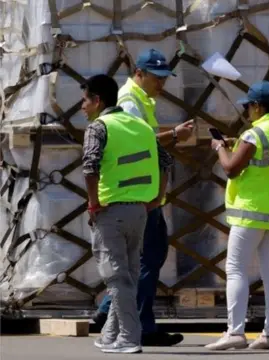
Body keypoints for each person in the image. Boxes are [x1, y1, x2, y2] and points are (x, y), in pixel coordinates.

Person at [92, 48, 193, 347]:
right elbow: (140, 143)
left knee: (146, 258)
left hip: (143, 193)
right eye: (157, 77)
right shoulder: (129, 101)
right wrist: (174, 135)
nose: (161, 84)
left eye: (164, 78)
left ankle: (108, 311)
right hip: (138, 195)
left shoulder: (141, 99)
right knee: (146, 259)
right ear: (140, 73)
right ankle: (140, 325)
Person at [204, 81, 269, 351]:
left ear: (258, 107)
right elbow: (266, 160)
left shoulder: (254, 134)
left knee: (236, 269)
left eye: (248, 106)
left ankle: (235, 332)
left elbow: (231, 169)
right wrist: (239, 144)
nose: (247, 111)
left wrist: (219, 148)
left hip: (251, 212)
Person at [81, 74, 173, 353]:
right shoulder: (142, 127)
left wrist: (93, 204)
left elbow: (90, 167)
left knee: (117, 277)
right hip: (140, 212)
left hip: (110, 212)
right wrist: (156, 199)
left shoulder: (98, 128)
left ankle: (129, 338)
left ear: (98, 101)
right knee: (129, 276)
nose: (82, 107)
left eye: (85, 101)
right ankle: (110, 334)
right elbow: (166, 161)